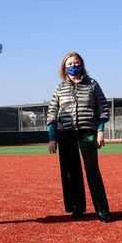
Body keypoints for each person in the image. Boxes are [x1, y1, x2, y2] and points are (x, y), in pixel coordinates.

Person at [47, 51, 111, 223]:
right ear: (64, 68)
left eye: (76, 63)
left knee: (92, 169)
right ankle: (77, 207)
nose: (73, 66)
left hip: (87, 131)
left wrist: (100, 129)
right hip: (65, 133)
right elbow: (52, 112)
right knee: (70, 171)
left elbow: (103, 107)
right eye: (69, 64)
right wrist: (52, 137)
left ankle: (102, 209)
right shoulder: (60, 88)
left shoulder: (92, 84)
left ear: (81, 64)